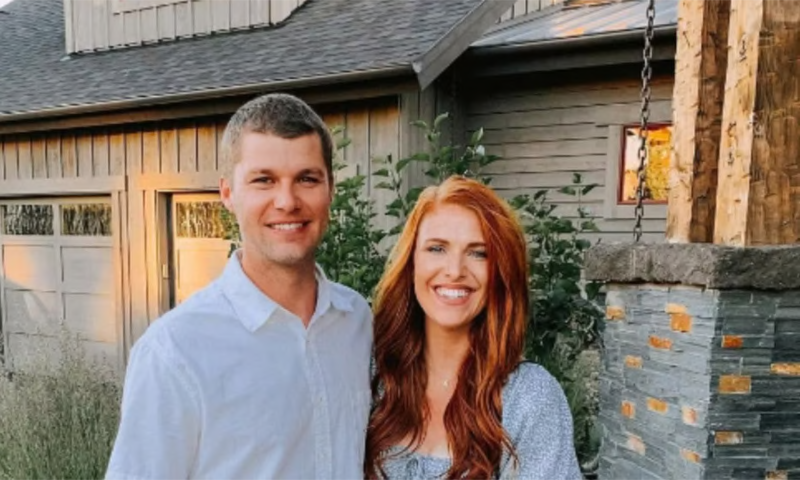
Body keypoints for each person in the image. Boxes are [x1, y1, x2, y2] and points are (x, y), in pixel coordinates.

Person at [106, 93, 373, 480]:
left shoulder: (356, 322)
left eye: (307, 179)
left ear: (330, 188)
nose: (287, 201)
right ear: (227, 194)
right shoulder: (174, 352)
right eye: (264, 180)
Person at [365, 176, 583, 480]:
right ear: (411, 261)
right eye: (437, 248)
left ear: (501, 272)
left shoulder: (528, 398)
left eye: (479, 253)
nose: (455, 270)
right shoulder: (371, 374)